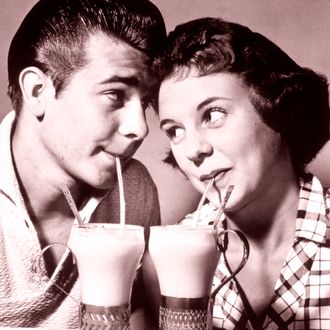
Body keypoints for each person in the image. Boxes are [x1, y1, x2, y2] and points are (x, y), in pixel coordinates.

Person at [154, 17, 330, 329]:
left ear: (277, 109)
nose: (192, 149)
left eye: (213, 114)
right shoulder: (169, 256)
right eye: (175, 131)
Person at [0, 0, 166, 328]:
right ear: (37, 91)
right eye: (115, 95)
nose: (141, 128)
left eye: (145, 102)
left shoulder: (133, 190)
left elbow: (136, 317)